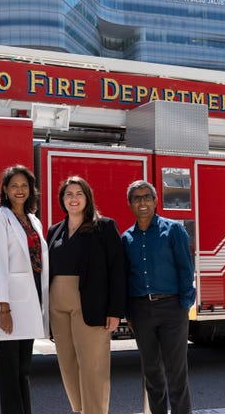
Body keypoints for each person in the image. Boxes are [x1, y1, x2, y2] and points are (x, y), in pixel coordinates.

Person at [46, 175, 126, 414]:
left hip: (90, 304)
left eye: (78, 194)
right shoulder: (54, 231)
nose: (73, 198)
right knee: (67, 364)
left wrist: (114, 311)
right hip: (57, 304)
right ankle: (81, 410)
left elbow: (117, 269)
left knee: (92, 365)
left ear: (87, 198)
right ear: (62, 199)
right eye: (68, 194)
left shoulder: (104, 226)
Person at [121, 180, 195, 414]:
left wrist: (183, 305)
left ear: (155, 201)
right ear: (130, 204)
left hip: (172, 308)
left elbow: (186, 268)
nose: (142, 202)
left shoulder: (173, 229)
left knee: (176, 373)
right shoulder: (126, 238)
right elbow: (125, 277)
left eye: (146, 197)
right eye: (136, 198)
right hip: (141, 311)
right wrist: (129, 313)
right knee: (151, 373)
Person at [0, 165, 49, 414]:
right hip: (11, 302)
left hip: (32, 296)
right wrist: (3, 308)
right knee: (10, 370)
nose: (19, 190)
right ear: (5, 189)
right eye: (14, 186)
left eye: (24, 186)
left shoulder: (33, 219)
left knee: (23, 368)